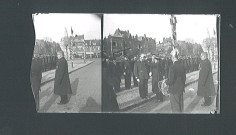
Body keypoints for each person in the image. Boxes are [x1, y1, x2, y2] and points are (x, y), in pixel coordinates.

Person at [165, 48, 186, 113]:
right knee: (181, 107)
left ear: (173, 57)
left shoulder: (172, 67)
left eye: (171, 56)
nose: (171, 58)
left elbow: (171, 80)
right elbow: (184, 78)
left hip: (174, 90)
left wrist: (166, 82)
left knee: (175, 108)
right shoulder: (182, 66)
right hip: (181, 89)